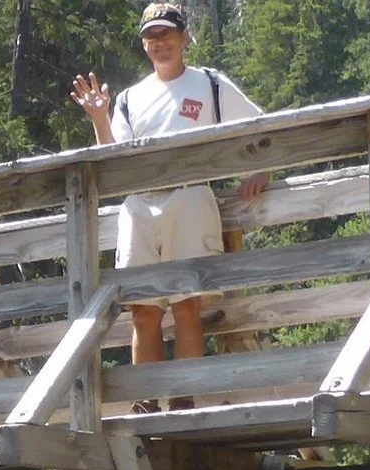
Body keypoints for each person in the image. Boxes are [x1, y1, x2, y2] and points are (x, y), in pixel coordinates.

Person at [68, 2, 269, 413]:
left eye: (166, 34)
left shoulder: (210, 84)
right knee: (142, 308)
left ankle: (183, 398)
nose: (159, 42)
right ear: (144, 44)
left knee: (186, 303)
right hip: (140, 204)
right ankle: (145, 400)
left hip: (191, 194)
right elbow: (112, 158)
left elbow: (260, 126)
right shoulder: (129, 98)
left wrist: (261, 169)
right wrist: (99, 117)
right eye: (150, 36)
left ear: (184, 38)